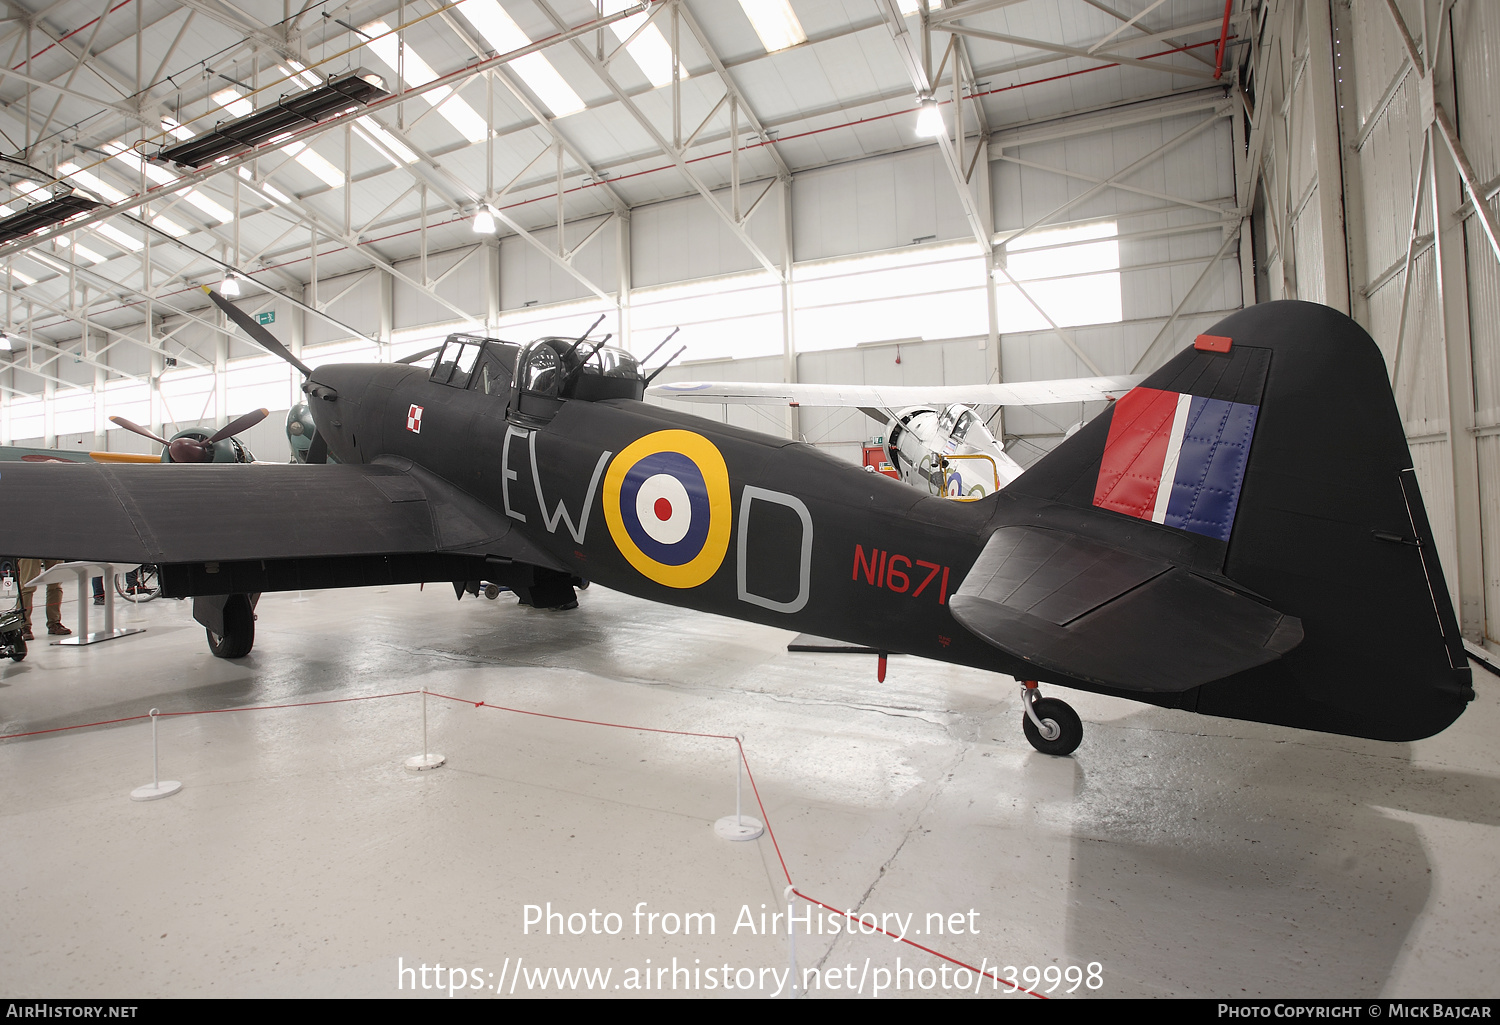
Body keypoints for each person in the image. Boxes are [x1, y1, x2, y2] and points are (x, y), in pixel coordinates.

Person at [18, 558, 70, 640]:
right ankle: (23, 626)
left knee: (55, 585)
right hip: (29, 547)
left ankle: (54, 623)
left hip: (54, 547)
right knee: (27, 586)